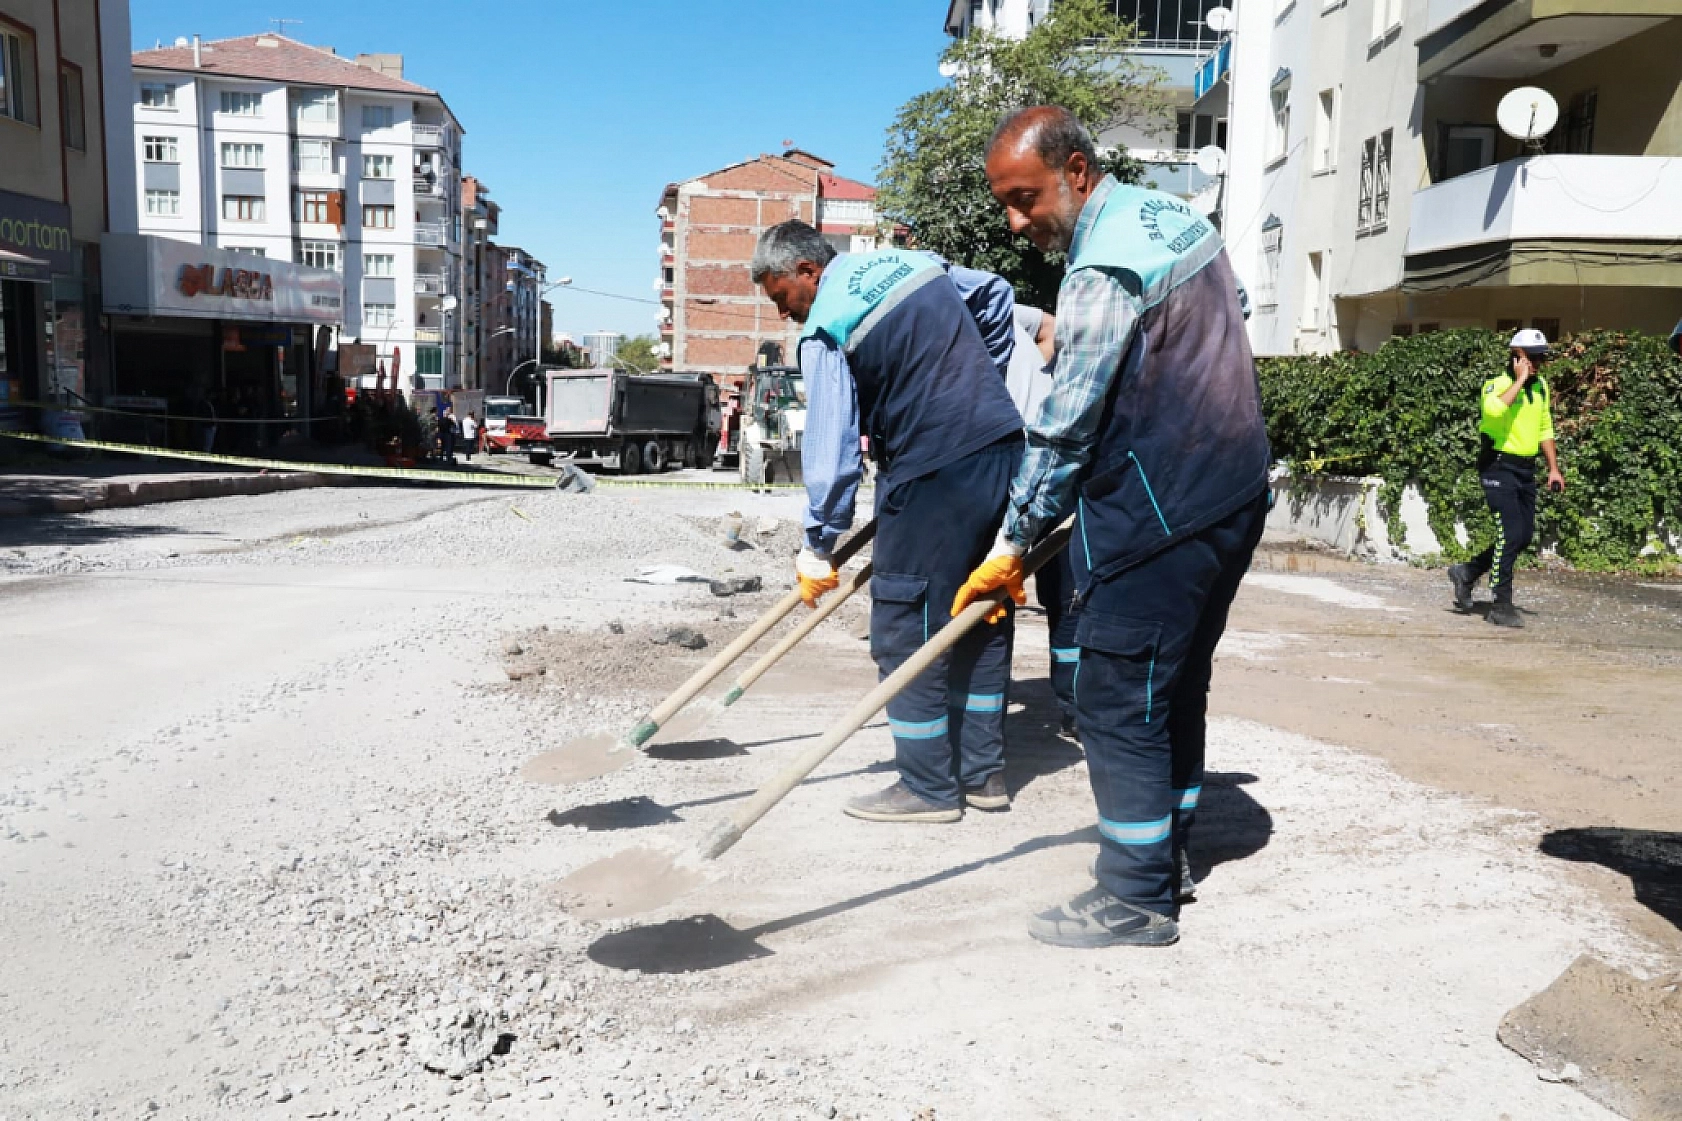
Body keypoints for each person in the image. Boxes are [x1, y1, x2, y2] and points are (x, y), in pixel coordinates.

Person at [955, 106, 1271, 949]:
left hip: (1162, 505)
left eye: (1027, 199)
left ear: (1079, 170)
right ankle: (1167, 857)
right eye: (1007, 206)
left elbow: (1066, 421)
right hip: (1234, 490)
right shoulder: (1176, 220)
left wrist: (1012, 542)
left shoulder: (1104, 265)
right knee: (1174, 680)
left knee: (1115, 691)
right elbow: (1231, 311)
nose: (1020, 223)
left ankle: (1134, 894)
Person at [751, 219, 1025, 824]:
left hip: (933, 464)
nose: (784, 314)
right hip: (1001, 443)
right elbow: (997, 294)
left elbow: (833, 449)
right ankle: (982, 775)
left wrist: (818, 541)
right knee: (979, 610)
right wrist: (981, 381)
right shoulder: (917, 262)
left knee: (906, 624)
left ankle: (927, 787)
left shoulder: (827, 323)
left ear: (807, 272)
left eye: (781, 298)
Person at [1448, 329, 1566, 628]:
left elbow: (1545, 428)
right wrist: (1519, 380)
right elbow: (1494, 410)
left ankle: (1467, 572)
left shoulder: (1541, 388)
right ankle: (1501, 605)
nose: (1539, 363)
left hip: (1526, 469)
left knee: (1522, 537)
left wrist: (1553, 468)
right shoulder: (1496, 385)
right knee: (1510, 534)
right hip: (1498, 466)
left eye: (1543, 357)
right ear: (1516, 356)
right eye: (1533, 357)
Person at [1007, 304, 1081, 742]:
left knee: (1068, 597)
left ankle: (1075, 709)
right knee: (1051, 593)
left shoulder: (992, 304)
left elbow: (1049, 326)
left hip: (1050, 460)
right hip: (1011, 467)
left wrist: (1046, 384)